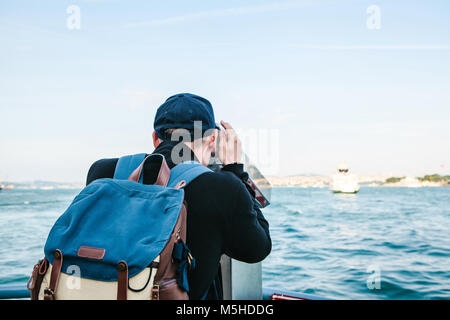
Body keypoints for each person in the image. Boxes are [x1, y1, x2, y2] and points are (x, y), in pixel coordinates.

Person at [86, 93, 271, 299]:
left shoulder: (102, 172)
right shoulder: (224, 187)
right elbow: (258, 248)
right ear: (212, 139)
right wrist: (236, 170)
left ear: (155, 138)